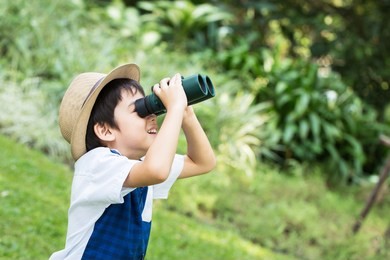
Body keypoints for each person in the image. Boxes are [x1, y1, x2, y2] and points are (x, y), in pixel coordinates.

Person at [50, 63, 216, 259]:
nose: (152, 115)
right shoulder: (97, 164)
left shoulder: (140, 165)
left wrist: (186, 115)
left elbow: (202, 162)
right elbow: (156, 170)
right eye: (140, 109)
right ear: (105, 130)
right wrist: (174, 109)